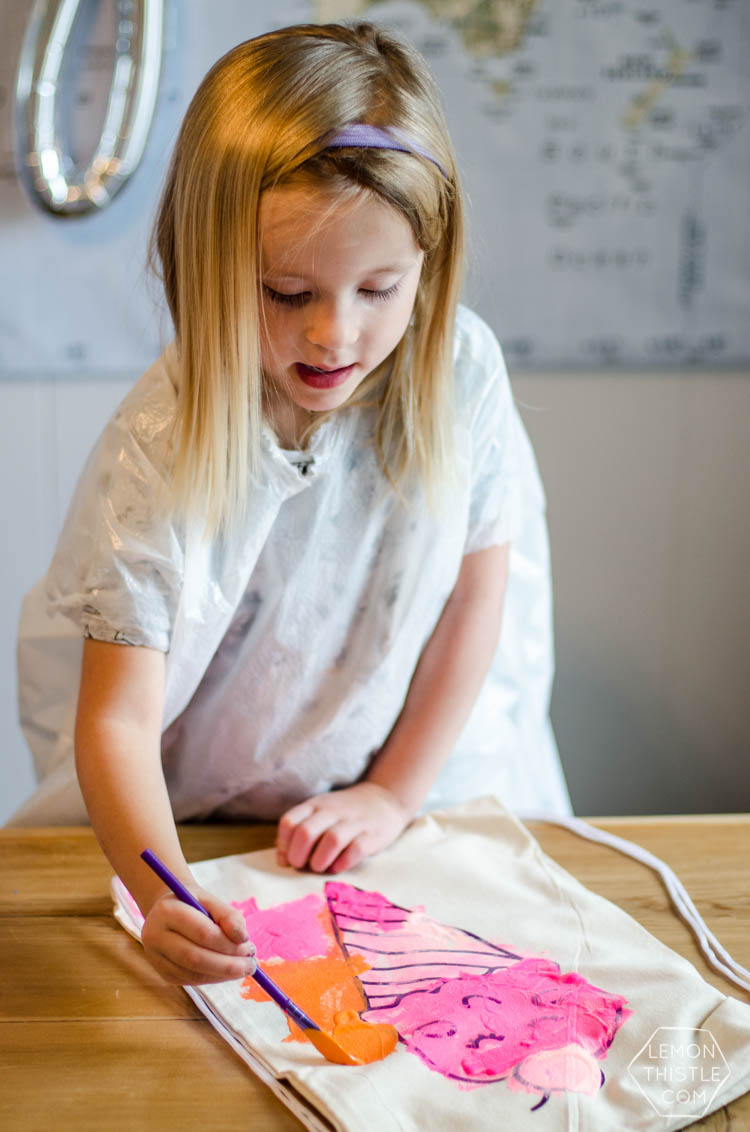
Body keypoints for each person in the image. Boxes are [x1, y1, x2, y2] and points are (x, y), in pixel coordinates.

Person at [10, 22, 571, 984]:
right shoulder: (163, 439)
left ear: (430, 263)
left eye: (379, 288)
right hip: (200, 816)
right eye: (285, 291)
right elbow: (117, 722)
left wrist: (392, 794)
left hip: (407, 791)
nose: (333, 334)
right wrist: (162, 894)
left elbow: (477, 601)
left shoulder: (461, 372)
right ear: (207, 264)